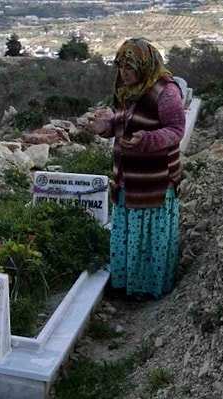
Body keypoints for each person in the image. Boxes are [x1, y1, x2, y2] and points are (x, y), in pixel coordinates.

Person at [86, 37, 185, 300]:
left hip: (155, 180)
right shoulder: (126, 90)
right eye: (120, 67)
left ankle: (148, 289)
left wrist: (147, 140)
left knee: (150, 236)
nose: (124, 73)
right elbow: (124, 120)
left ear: (144, 65)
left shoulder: (166, 91)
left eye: (129, 67)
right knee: (130, 233)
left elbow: (176, 130)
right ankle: (127, 284)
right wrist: (106, 127)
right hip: (128, 178)